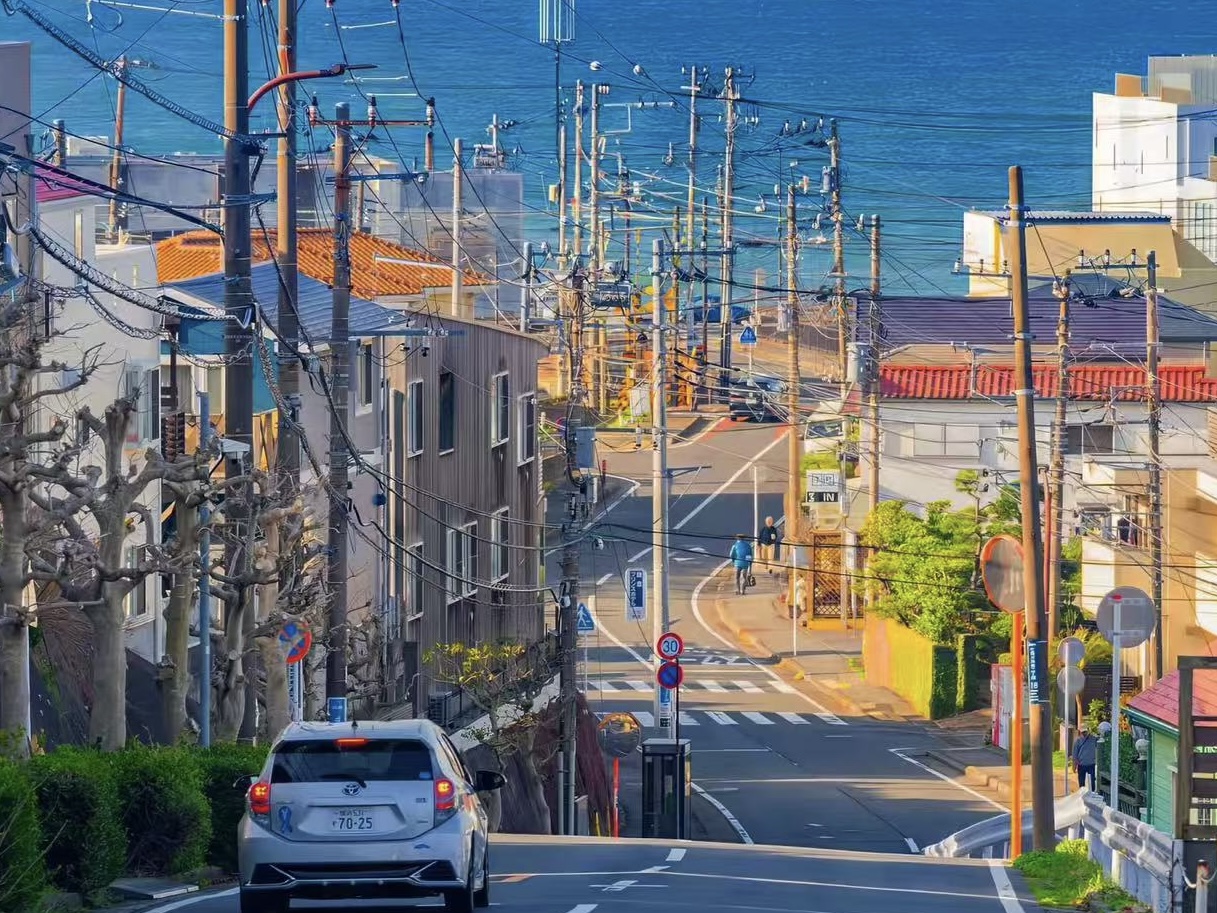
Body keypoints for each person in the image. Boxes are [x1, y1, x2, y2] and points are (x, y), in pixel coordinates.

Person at [1071, 725, 1098, 791]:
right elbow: (1075, 754)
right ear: (1080, 732)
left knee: (1092, 781)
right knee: (1081, 782)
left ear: (1088, 731)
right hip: (1081, 764)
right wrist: (1074, 766)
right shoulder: (1077, 741)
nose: (1084, 733)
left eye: (1085, 731)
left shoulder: (1093, 739)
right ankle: (1082, 794)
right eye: (1083, 732)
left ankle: (1092, 793)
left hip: (1091, 764)